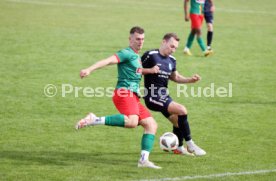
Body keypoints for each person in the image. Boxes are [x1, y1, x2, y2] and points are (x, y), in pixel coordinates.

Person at [75, 26, 161, 169]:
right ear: (130, 39)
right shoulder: (126, 53)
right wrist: (89, 69)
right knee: (132, 122)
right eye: (137, 39)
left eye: (142, 39)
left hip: (133, 96)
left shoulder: (136, 57)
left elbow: (136, 71)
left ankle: (143, 160)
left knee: (151, 125)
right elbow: (108, 61)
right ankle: (93, 120)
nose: (140, 42)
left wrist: (150, 71)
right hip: (124, 93)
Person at [141, 33, 206, 156]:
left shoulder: (172, 60)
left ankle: (179, 147)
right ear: (163, 42)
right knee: (182, 110)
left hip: (165, 96)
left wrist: (190, 80)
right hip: (152, 97)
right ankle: (191, 144)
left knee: (178, 122)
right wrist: (149, 71)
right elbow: (136, 70)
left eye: (175, 48)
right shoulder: (150, 56)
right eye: (171, 46)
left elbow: (175, 77)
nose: (173, 50)